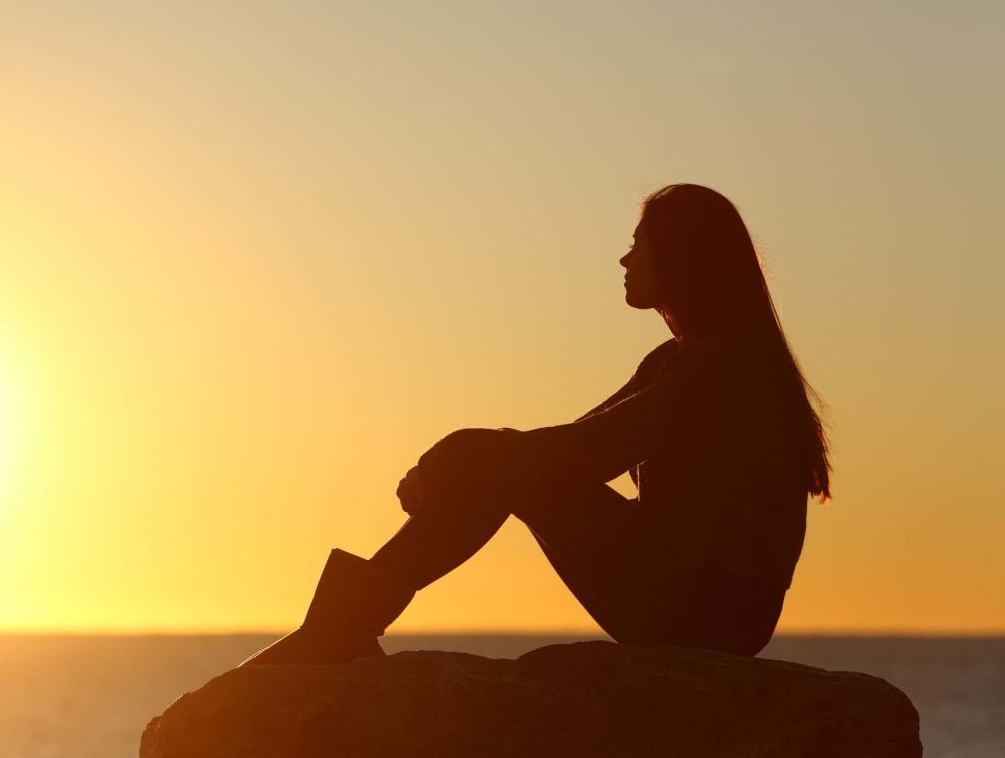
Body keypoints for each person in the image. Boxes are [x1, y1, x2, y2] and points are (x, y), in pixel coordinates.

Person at [241, 184, 831, 665]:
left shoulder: (722, 366)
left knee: (513, 470)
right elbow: (567, 445)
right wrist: (470, 458)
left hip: (709, 612)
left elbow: (576, 456)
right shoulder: (679, 361)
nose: (626, 259)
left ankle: (337, 626)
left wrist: (457, 456)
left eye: (638, 244)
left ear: (680, 254)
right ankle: (339, 625)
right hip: (688, 597)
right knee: (510, 467)